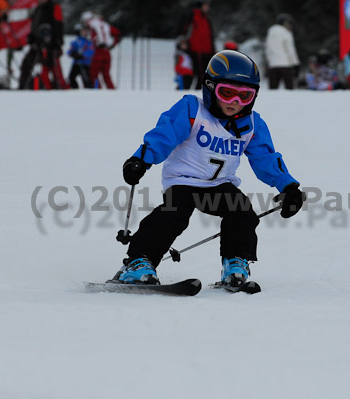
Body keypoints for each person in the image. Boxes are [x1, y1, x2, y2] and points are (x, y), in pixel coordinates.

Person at [116, 50, 305, 287]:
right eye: (226, 93)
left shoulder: (252, 125)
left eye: (244, 96)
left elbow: (265, 158)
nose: (235, 103)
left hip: (218, 186)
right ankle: (138, 261)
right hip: (183, 181)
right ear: (209, 87)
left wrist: (287, 186)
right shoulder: (192, 110)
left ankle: (235, 263)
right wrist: (141, 160)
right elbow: (166, 134)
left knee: (242, 212)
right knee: (174, 214)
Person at [18, 0, 68, 90]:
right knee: (27, 65)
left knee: (53, 69)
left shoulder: (54, 7)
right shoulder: (38, 8)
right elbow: (34, 25)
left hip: (50, 45)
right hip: (37, 44)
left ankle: (56, 87)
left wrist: (57, 42)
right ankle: (23, 87)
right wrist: (31, 37)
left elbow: (59, 24)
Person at [81, 11, 120, 89]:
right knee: (106, 75)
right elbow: (117, 33)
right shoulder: (105, 24)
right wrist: (113, 44)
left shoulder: (91, 25)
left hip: (97, 52)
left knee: (94, 74)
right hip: (107, 52)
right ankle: (112, 90)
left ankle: (97, 91)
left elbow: (92, 40)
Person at [180, 1, 214, 90]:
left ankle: (199, 91)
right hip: (193, 51)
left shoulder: (207, 20)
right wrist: (183, 44)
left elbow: (210, 37)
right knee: (190, 74)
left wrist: (213, 51)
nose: (207, 8)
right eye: (206, 5)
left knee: (203, 75)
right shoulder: (191, 17)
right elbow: (183, 32)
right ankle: (183, 91)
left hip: (206, 52)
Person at [265, 13, 300, 89]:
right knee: (289, 89)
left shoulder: (270, 33)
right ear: (285, 23)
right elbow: (290, 50)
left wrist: (269, 62)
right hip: (285, 65)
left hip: (273, 65)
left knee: (272, 90)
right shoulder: (286, 33)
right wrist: (295, 64)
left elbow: (267, 50)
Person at [67, 23, 94, 89]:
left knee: (86, 79)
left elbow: (91, 51)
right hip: (76, 63)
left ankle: (89, 90)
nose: (84, 33)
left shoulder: (88, 42)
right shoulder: (75, 42)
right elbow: (69, 51)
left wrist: (83, 55)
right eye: (82, 31)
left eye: (85, 31)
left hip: (85, 64)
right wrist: (72, 54)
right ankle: (74, 88)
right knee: (71, 78)